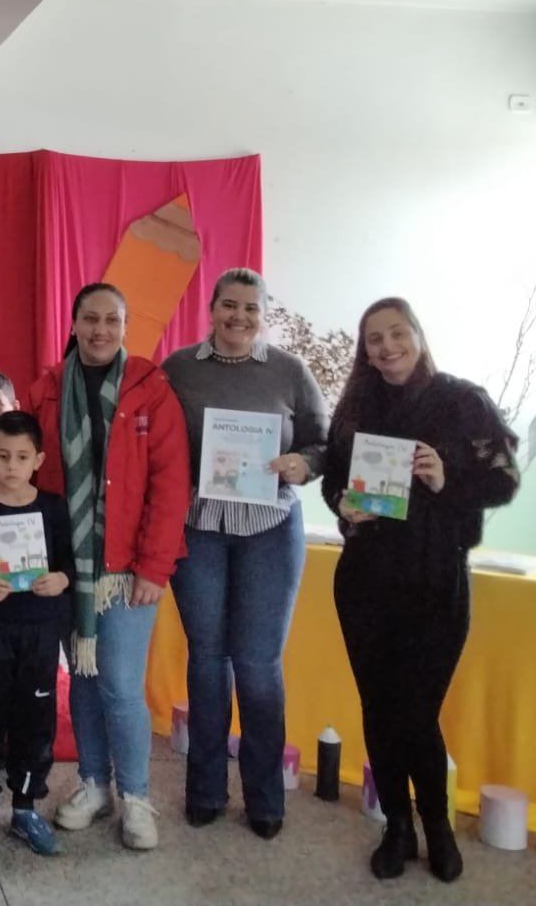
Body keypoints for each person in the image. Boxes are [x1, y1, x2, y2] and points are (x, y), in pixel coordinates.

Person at [322, 297, 517, 883]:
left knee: (416, 712)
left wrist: (445, 477)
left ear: (418, 335)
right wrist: (344, 506)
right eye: (374, 338)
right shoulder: (356, 406)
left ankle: (437, 826)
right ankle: (397, 827)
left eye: (396, 333)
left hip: (435, 581)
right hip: (365, 581)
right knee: (379, 709)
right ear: (365, 350)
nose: (386, 346)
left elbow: (504, 481)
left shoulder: (463, 400)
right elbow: (334, 482)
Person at [160, 268, 330, 839]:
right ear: (211, 309)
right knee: (208, 661)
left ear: (263, 315)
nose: (239, 317)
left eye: (251, 308)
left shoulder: (290, 370)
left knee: (257, 665)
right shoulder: (179, 368)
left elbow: (323, 443)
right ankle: (205, 790)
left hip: (269, 528)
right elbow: (156, 438)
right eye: (229, 305)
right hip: (200, 528)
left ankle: (264, 797)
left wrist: (303, 464)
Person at [27, 282, 190, 851]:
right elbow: (32, 475)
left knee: (119, 683)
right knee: (84, 679)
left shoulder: (151, 389)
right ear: (73, 324)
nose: (100, 330)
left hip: (127, 569)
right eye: (90, 319)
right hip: (69, 567)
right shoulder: (48, 388)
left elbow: (170, 485)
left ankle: (137, 796)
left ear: (125, 327)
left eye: (112, 321)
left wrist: (154, 567)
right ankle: (94, 783)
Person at [0, 411, 74, 859]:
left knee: (36, 716)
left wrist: (60, 579)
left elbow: (68, 561)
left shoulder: (53, 507)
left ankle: (25, 806)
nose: (11, 465)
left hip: (40, 628)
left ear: (38, 459)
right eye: (2, 455)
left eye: (22, 457)